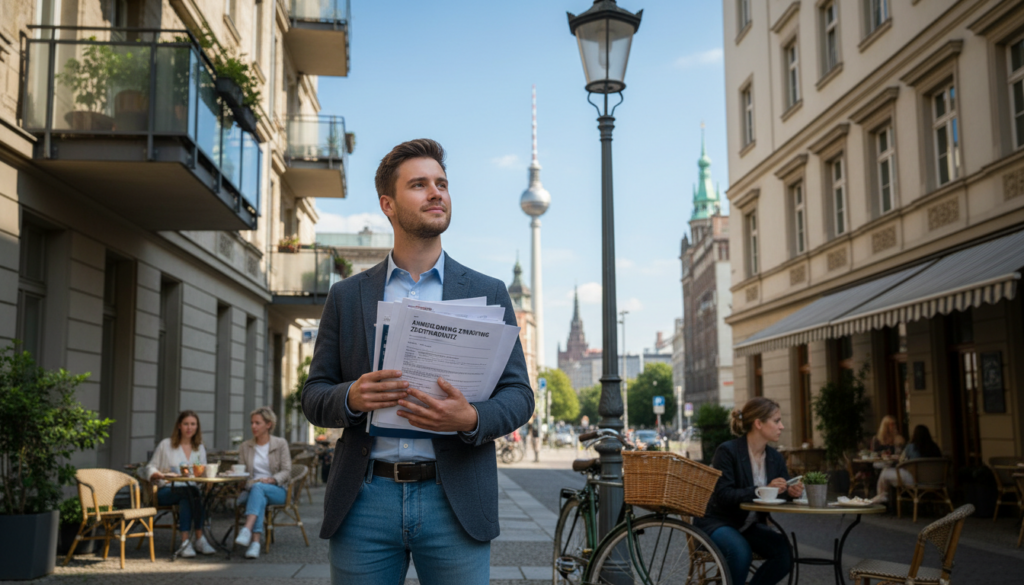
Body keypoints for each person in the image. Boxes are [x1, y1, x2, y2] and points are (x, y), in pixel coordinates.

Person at [301, 139, 534, 585]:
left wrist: (470, 418)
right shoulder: (347, 296)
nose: (436, 193)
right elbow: (313, 395)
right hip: (365, 500)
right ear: (388, 205)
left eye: (442, 183)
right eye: (420, 184)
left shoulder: (489, 291)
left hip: (455, 499)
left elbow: (520, 395)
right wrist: (350, 396)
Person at [694, 397, 802, 585]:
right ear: (758, 423)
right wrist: (761, 490)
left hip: (748, 526)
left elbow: (780, 492)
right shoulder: (727, 451)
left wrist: (791, 492)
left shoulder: (775, 458)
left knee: (785, 553)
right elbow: (723, 495)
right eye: (776, 421)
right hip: (717, 523)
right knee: (740, 551)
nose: (782, 426)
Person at [138, 410, 215, 557]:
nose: (189, 428)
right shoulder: (166, 445)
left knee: (189, 494)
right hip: (165, 490)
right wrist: (156, 474)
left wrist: (205, 473)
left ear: (197, 427)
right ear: (179, 426)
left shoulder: (199, 448)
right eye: (186, 424)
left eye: (193, 424)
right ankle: (199, 538)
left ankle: (186, 542)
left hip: (189, 491)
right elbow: (150, 467)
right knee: (191, 493)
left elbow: (201, 471)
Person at [233, 406, 292, 559]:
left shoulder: (280, 444)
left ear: (268, 424)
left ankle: (247, 529)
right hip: (251, 489)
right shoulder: (245, 447)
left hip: (277, 490)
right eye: (252, 423)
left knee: (259, 489)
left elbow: (287, 471)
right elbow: (243, 474)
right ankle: (255, 542)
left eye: (257, 423)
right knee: (259, 495)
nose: (253, 426)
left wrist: (272, 479)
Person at [872, 424, 942, 503]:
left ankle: (883, 495)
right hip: (936, 480)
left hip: (915, 480)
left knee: (885, 472)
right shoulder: (935, 447)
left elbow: (902, 461)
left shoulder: (911, 447)